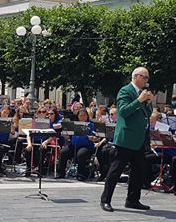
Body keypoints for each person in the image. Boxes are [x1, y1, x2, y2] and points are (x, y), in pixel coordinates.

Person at [100, 67, 153, 212]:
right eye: (145, 77)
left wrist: (147, 102)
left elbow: (147, 114)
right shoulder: (125, 91)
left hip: (139, 139)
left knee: (139, 170)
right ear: (136, 76)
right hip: (126, 138)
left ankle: (133, 200)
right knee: (115, 170)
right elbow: (123, 111)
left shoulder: (143, 94)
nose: (147, 81)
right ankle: (105, 200)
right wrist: (139, 100)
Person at [57, 108, 98, 181]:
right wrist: (65, 135)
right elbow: (68, 137)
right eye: (80, 115)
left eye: (84, 115)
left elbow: (96, 138)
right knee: (63, 152)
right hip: (74, 145)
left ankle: (81, 174)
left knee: (81, 154)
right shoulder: (74, 124)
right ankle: (61, 173)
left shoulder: (91, 125)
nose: (82, 117)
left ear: (87, 116)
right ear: (78, 116)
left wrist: (92, 138)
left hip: (86, 146)